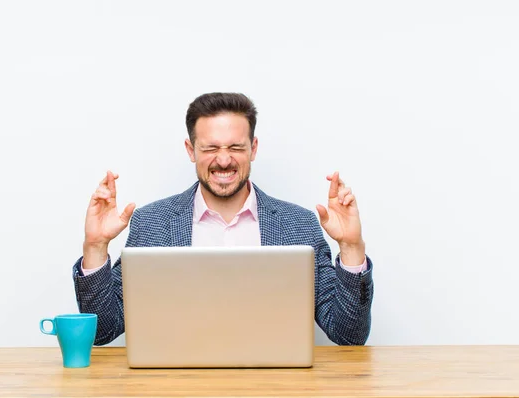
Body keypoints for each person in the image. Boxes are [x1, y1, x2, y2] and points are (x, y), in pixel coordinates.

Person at [72, 93, 374, 346]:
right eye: (211, 148)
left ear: (253, 149)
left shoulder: (299, 224)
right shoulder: (153, 223)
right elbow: (102, 332)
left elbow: (349, 336)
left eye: (236, 147)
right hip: (174, 386)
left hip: (275, 386)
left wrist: (351, 248)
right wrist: (96, 247)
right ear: (191, 150)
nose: (224, 159)